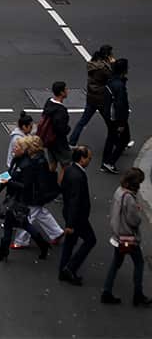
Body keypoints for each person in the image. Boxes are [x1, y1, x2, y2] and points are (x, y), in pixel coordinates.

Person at [0, 137, 51, 262]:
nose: (14, 148)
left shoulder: (27, 165)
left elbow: (25, 186)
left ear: (23, 150)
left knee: (12, 224)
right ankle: (42, 245)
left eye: (17, 147)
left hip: (20, 200)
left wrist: (10, 183)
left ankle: (3, 252)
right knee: (20, 224)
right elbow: (9, 175)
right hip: (12, 197)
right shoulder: (16, 160)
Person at [101, 168, 152, 307]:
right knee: (139, 264)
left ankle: (106, 291)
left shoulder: (119, 191)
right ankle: (138, 295)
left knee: (116, 263)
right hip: (128, 237)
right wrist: (137, 212)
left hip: (118, 235)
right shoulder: (129, 197)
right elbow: (134, 221)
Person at [10, 136, 64, 249]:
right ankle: (56, 232)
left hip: (34, 194)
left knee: (28, 216)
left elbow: (36, 181)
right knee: (40, 214)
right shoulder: (38, 159)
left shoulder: (36, 162)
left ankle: (21, 241)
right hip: (37, 194)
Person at [59, 146, 97, 286]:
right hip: (77, 217)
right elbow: (75, 200)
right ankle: (70, 268)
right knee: (90, 240)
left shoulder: (69, 170)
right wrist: (70, 224)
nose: (90, 160)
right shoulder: (79, 176)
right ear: (82, 158)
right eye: (89, 158)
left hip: (70, 214)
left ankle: (63, 270)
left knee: (70, 243)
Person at [69, 45, 115, 146]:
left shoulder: (92, 64)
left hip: (91, 97)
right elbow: (112, 76)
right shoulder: (104, 68)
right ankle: (120, 142)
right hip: (102, 98)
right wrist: (113, 64)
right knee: (110, 122)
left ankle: (72, 142)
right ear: (107, 55)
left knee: (82, 121)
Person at [101, 58, 131, 174]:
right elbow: (120, 105)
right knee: (124, 139)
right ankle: (110, 162)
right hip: (117, 118)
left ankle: (105, 162)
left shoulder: (111, 81)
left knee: (111, 137)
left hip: (109, 114)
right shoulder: (119, 85)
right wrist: (122, 122)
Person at [42, 81, 71, 184]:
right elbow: (61, 129)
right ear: (62, 93)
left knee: (52, 164)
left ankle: (46, 185)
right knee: (66, 165)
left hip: (49, 140)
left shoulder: (48, 102)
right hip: (59, 143)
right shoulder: (61, 110)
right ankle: (59, 189)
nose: (68, 91)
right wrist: (68, 128)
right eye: (66, 89)